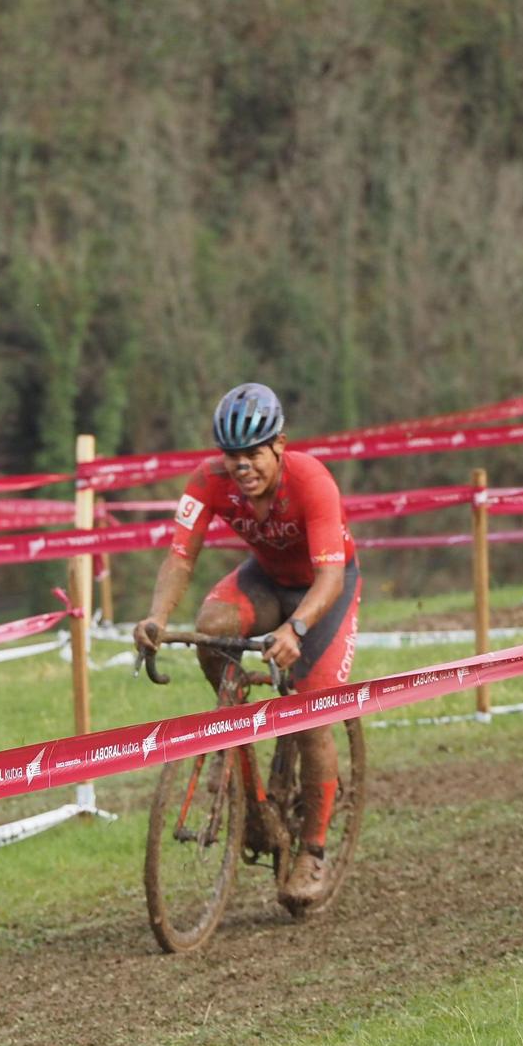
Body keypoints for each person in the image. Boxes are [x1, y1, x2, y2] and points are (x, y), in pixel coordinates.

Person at [132, 382, 360, 905]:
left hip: (324, 588)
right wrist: (156, 617)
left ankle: (315, 850)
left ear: (279, 444)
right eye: (232, 456)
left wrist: (296, 629)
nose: (242, 467)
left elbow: (327, 581)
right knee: (211, 626)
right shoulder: (207, 481)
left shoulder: (311, 481)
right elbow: (180, 557)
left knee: (310, 711)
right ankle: (240, 750)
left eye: (253, 454)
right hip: (266, 577)